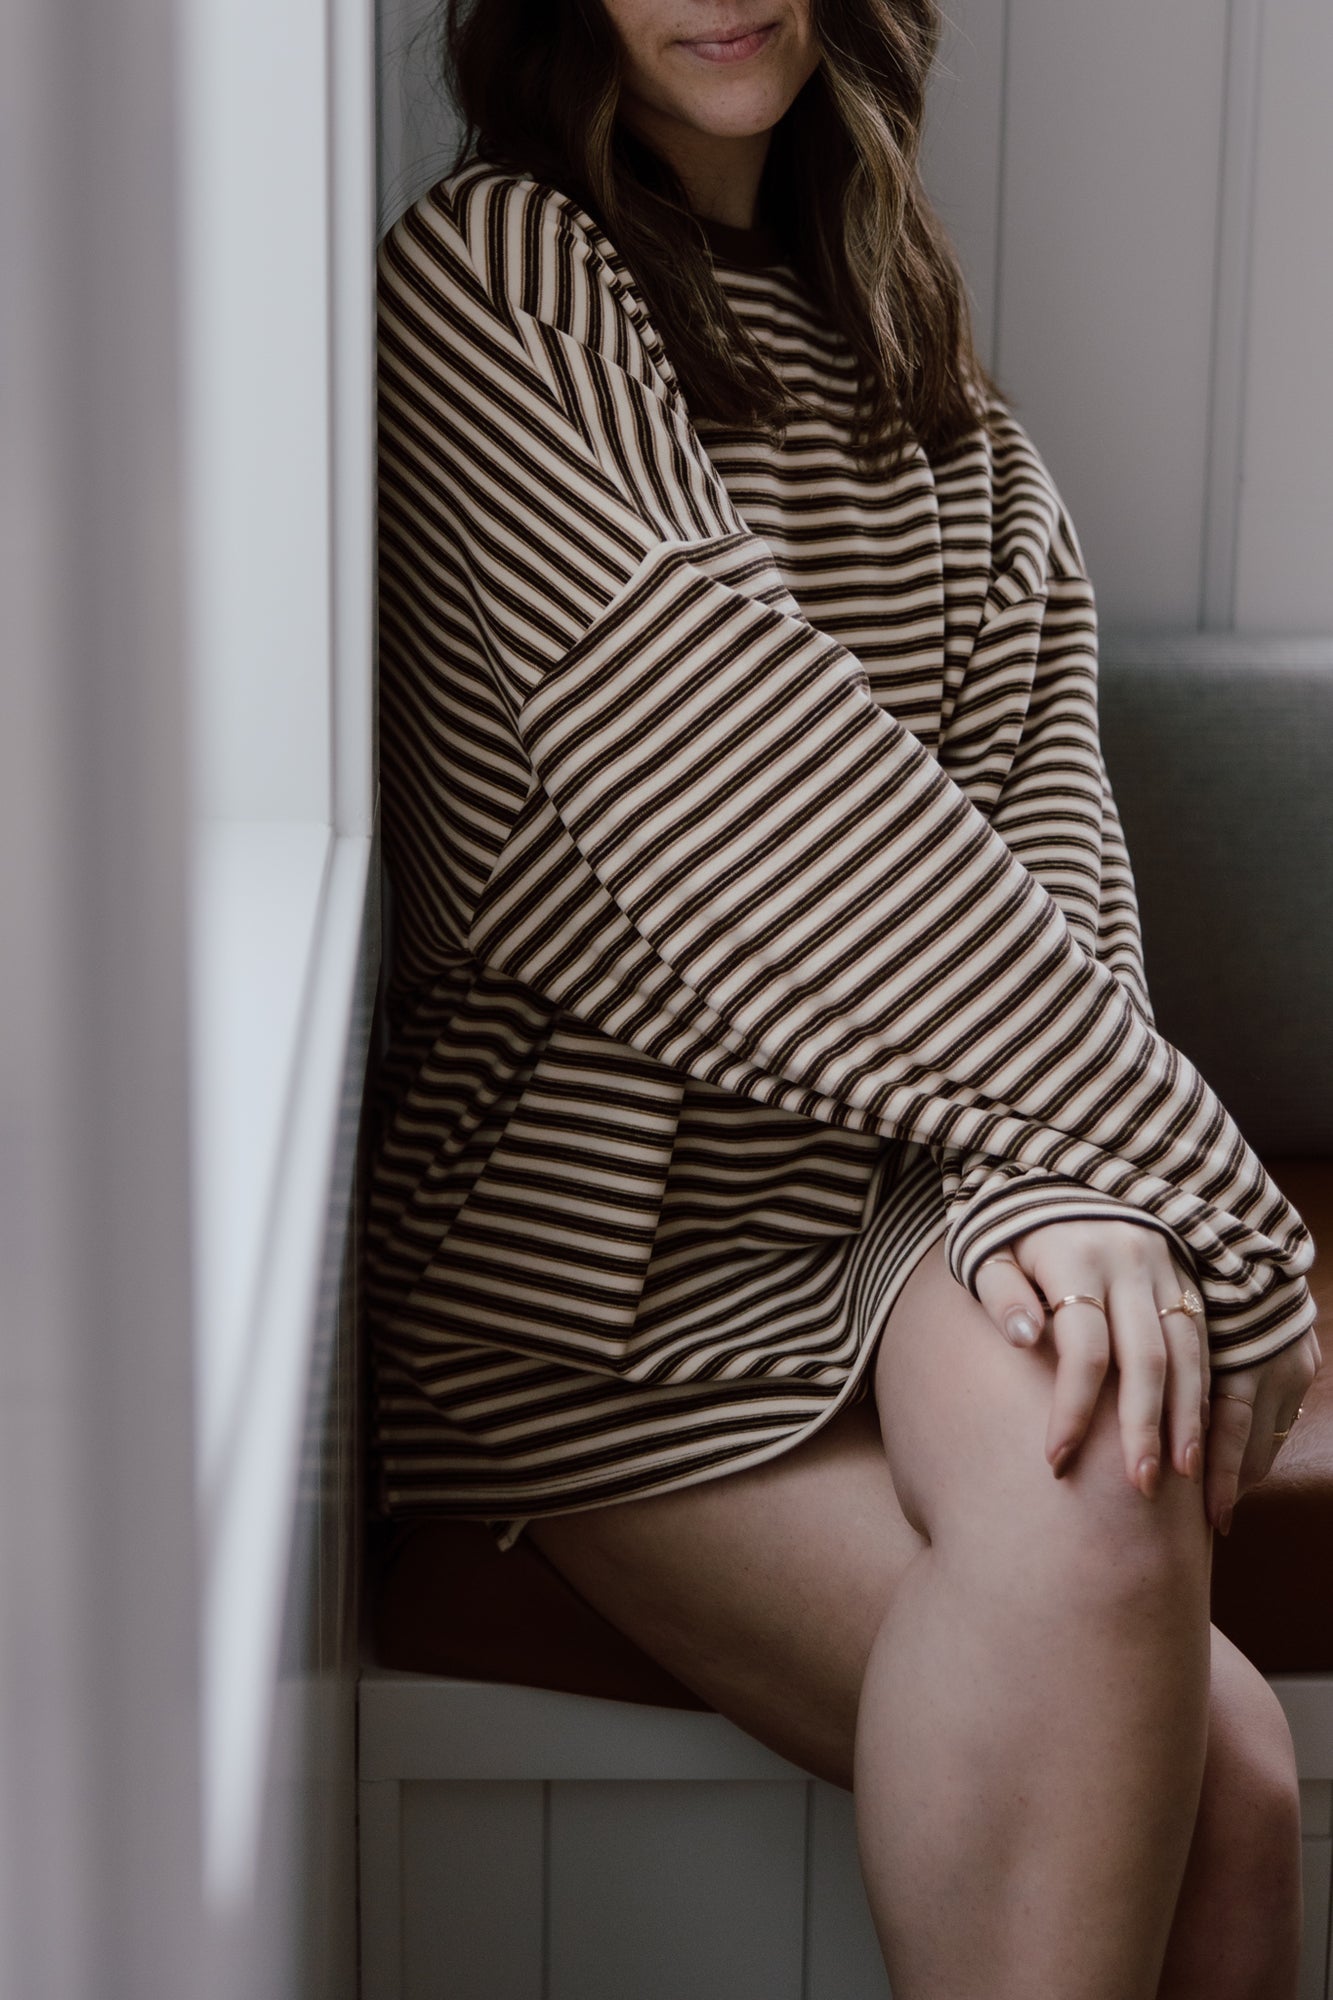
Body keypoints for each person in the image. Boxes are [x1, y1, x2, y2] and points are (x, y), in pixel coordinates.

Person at [365, 3, 1321, 1993]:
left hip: (895, 1186)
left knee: (1115, 1460)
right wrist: (1183, 1170)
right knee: (1224, 1787)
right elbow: (725, 785)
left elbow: (1044, 836)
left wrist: (1068, 1186)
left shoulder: (922, 367)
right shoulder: (496, 271)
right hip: (599, 1258)